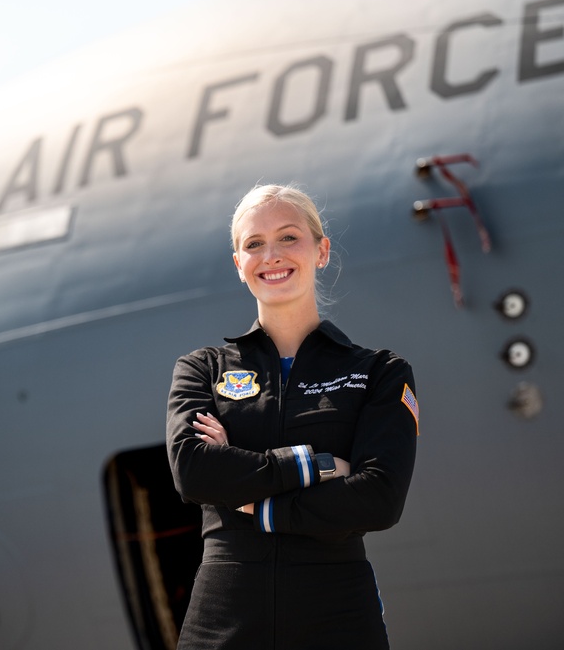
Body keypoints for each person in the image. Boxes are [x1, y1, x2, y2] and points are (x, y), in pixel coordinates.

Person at [166, 184, 419, 649]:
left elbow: (380, 497)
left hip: (337, 613)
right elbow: (194, 472)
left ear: (321, 251)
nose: (272, 256)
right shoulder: (202, 368)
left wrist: (249, 498)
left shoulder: (379, 372)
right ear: (239, 265)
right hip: (224, 615)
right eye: (254, 244)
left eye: (288, 237)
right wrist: (314, 466)